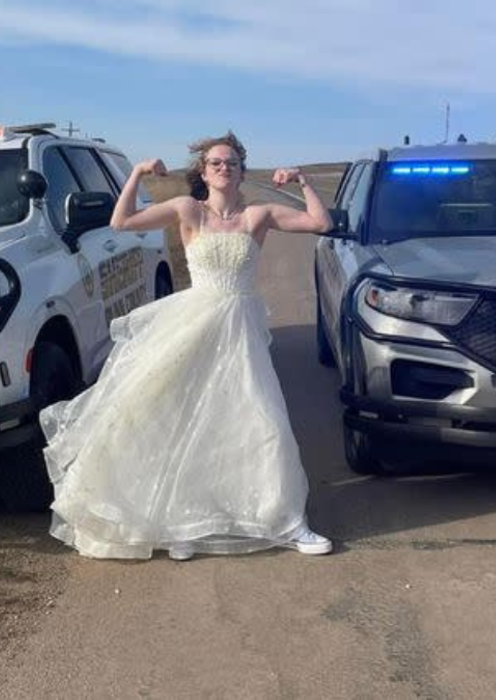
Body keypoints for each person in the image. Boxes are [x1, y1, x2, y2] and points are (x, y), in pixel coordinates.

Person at [40, 131, 334, 561]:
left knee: (261, 421)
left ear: (240, 170)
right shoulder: (186, 210)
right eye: (215, 162)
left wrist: (303, 182)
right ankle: (183, 525)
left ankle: (288, 521)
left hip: (240, 328)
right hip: (194, 323)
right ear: (203, 170)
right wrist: (138, 173)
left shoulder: (258, 215)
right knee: (183, 419)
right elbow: (121, 222)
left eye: (231, 162)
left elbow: (320, 224)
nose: (223, 168)